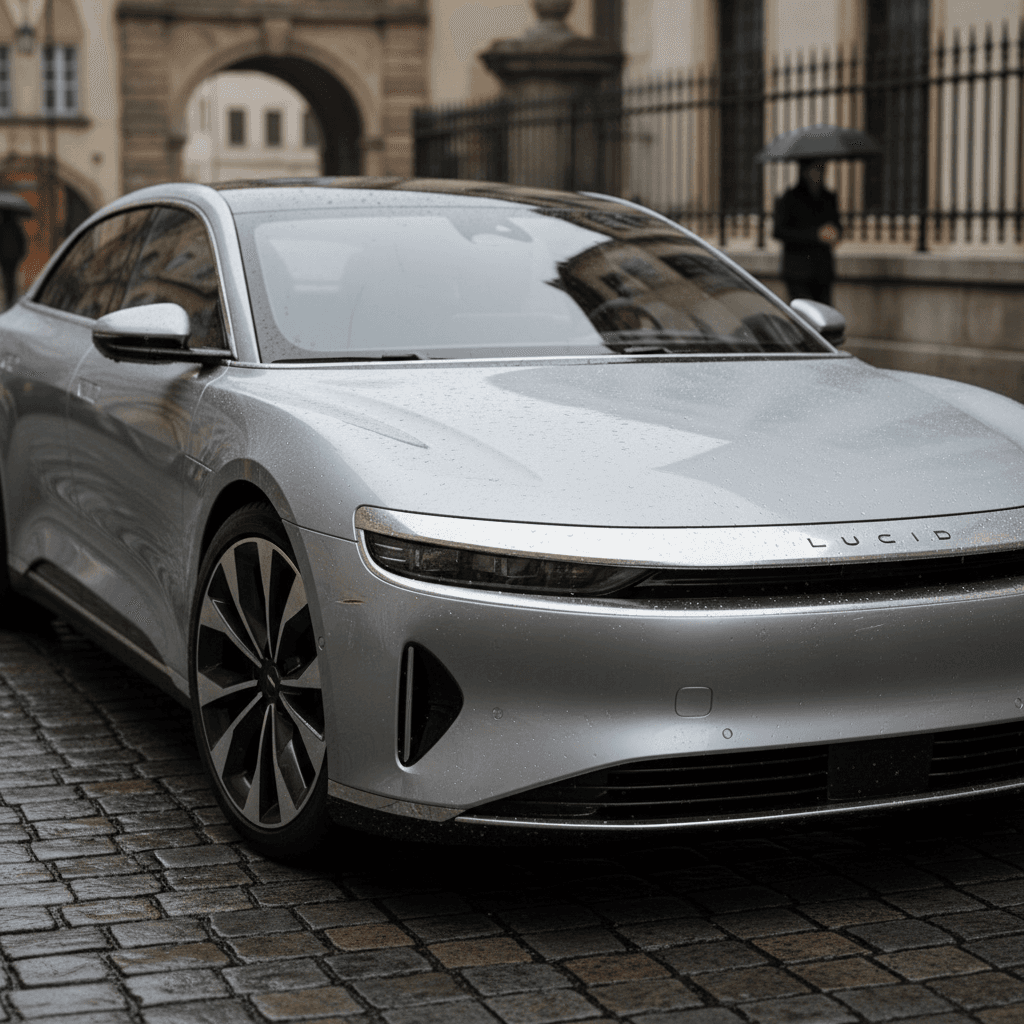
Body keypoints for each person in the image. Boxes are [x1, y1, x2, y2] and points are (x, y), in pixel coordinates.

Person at [772, 159, 841, 306]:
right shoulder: (790, 198)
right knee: (805, 314)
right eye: (816, 169)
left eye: (823, 169)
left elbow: (837, 225)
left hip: (822, 269)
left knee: (825, 314)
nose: (821, 173)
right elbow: (779, 231)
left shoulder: (828, 197)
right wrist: (815, 235)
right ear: (805, 171)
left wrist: (834, 234)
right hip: (798, 270)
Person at [0, 210, 26, 311]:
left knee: (8, 277)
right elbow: (21, 241)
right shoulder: (16, 227)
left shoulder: (2, 227)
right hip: (13, 257)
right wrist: (21, 253)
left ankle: (9, 297)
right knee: (11, 277)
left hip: (6, 257)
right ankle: (11, 297)